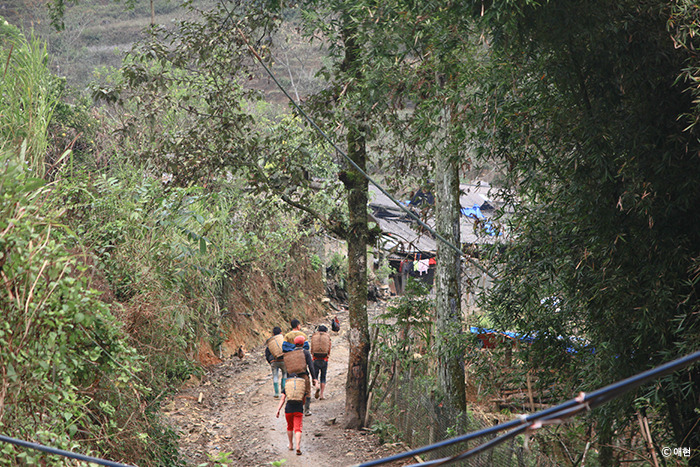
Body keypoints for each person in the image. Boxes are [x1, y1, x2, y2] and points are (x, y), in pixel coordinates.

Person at [283, 335, 317, 416]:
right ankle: (307, 410)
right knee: (307, 392)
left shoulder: (290, 354)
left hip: (293, 377)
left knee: (297, 393)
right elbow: (311, 366)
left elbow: (287, 367)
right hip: (303, 375)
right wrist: (314, 378)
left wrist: (288, 379)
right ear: (303, 343)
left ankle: (298, 410)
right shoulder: (305, 352)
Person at [275, 382, 304, 456]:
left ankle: (291, 445)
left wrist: (278, 409)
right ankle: (298, 446)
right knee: (298, 429)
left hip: (288, 410)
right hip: (298, 410)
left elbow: (282, 399)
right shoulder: (301, 387)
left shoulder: (287, 387)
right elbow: (304, 400)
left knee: (290, 427)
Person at [265, 326, 287, 398]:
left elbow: (267, 354)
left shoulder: (271, 343)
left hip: (273, 361)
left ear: (273, 334)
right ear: (281, 333)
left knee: (275, 376)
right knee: (284, 374)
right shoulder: (283, 340)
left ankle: (276, 393)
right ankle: (283, 391)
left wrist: (270, 362)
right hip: (283, 360)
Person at [311, 325, 331, 400]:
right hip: (324, 359)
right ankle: (322, 395)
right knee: (323, 376)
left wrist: (313, 355)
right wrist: (327, 356)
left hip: (315, 359)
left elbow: (312, 348)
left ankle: (317, 386)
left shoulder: (314, 337)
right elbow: (329, 348)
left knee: (315, 376)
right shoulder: (327, 337)